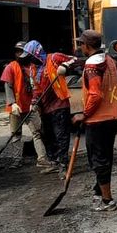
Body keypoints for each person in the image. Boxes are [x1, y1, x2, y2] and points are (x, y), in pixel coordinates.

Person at [72, 30, 117, 212]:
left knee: (99, 160)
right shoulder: (109, 60)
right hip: (111, 115)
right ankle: (98, 192)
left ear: (87, 45)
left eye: (81, 44)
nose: (80, 47)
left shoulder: (92, 66)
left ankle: (107, 200)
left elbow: (95, 93)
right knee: (105, 158)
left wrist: (83, 114)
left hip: (97, 119)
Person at [21, 40, 76, 179]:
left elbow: (74, 59)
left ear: (37, 53)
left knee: (61, 135)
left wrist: (65, 66)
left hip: (59, 104)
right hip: (45, 107)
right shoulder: (33, 68)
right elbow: (36, 88)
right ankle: (54, 162)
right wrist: (34, 101)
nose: (29, 58)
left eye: (30, 55)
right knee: (48, 136)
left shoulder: (54, 58)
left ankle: (64, 165)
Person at [0, 41, 53, 171]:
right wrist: (12, 103)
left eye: (21, 51)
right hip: (16, 107)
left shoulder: (34, 67)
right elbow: (8, 86)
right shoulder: (11, 67)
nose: (19, 54)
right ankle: (16, 160)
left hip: (31, 106)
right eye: (17, 52)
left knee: (38, 132)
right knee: (16, 134)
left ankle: (42, 159)